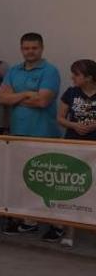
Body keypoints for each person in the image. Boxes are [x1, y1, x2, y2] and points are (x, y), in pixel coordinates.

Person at [0, 32, 61, 235]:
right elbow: (1, 98)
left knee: (48, 181)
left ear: (41, 48)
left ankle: (56, 225)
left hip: (44, 134)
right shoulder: (14, 70)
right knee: (25, 180)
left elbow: (43, 101)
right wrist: (26, 94)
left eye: (34, 48)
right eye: (26, 48)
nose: (30, 52)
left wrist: (14, 97)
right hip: (18, 134)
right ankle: (30, 221)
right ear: (21, 49)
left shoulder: (50, 71)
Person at [51, 59, 96, 248]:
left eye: (76, 74)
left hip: (94, 148)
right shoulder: (71, 93)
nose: (72, 77)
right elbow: (60, 118)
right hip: (73, 145)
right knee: (72, 188)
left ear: (89, 77)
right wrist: (74, 125)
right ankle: (69, 230)